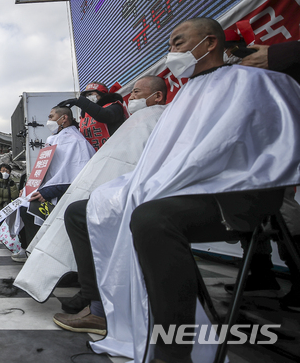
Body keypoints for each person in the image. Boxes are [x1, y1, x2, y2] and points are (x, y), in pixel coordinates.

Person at [55, 18, 300, 363]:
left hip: (232, 194)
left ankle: (172, 353)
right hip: (181, 188)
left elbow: (249, 149)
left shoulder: (253, 81)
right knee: (81, 210)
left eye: (179, 42)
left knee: (151, 218)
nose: (172, 51)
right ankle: (101, 308)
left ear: (210, 43)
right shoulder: (186, 97)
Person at [14, 76, 167, 308]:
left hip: (132, 187)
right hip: (108, 181)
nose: (132, 97)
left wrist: (79, 102)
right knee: (62, 212)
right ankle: (74, 276)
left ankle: (90, 292)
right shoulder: (127, 123)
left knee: (76, 213)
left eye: (136, 92)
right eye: (132, 92)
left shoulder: (118, 111)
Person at [8, 106, 95, 262]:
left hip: (63, 193)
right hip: (49, 190)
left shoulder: (76, 141)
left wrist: (49, 192)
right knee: (22, 205)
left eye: (51, 116)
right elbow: (46, 171)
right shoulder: (55, 139)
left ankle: (40, 255)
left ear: (64, 118)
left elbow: (77, 174)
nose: (49, 120)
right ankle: (28, 248)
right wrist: (28, 189)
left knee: (30, 210)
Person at [58, 82, 127, 151]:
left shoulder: (114, 106)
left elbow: (105, 116)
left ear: (101, 94)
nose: (88, 97)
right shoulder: (85, 115)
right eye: (86, 95)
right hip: (94, 156)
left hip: (114, 152)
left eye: (90, 94)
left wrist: (82, 102)